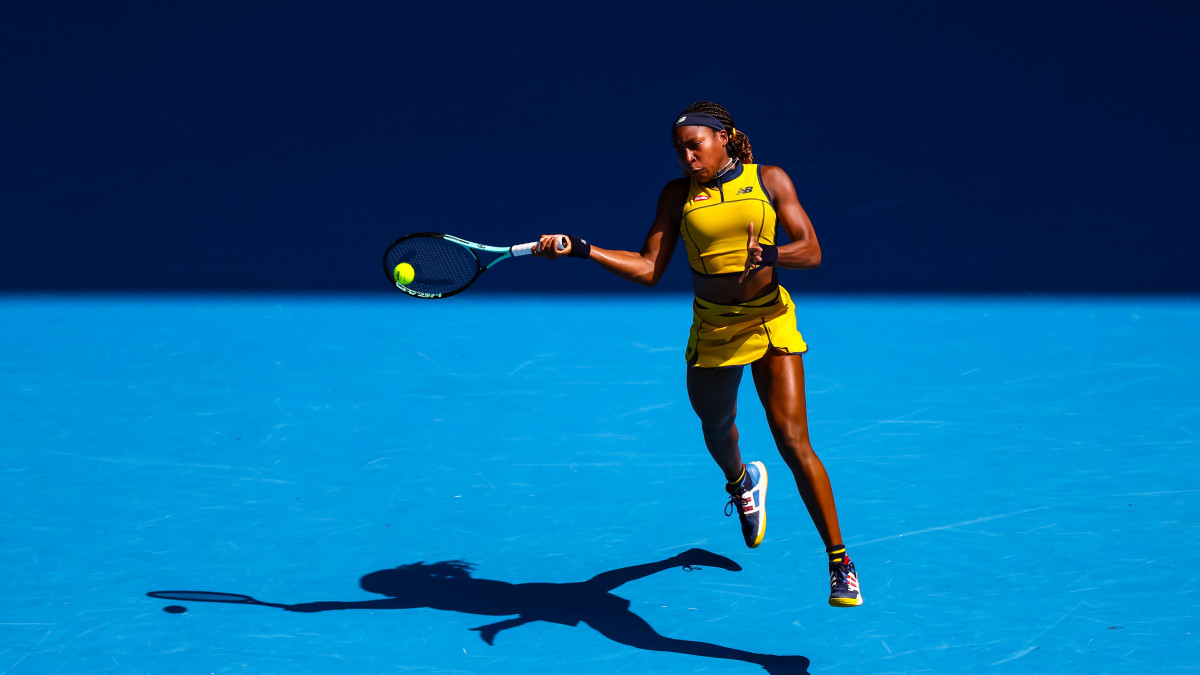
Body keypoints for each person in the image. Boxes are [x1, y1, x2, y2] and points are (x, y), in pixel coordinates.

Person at [533, 101, 861, 607]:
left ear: (724, 137)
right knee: (716, 426)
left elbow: (811, 251)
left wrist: (770, 254)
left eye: (695, 145)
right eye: (680, 149)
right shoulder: (677, 196)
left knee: (795, 442)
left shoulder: (770, 180)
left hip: (770, 319)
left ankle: (840, 564)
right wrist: (582, 248)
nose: (687, 157)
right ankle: (742, 482)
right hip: (713, 328)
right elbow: (648, 268)